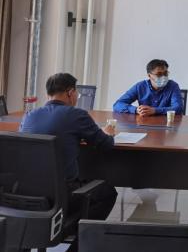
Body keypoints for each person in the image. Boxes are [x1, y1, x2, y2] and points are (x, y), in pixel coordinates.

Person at [20, 73, 117, 222]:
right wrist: (107, 133)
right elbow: (106, 144)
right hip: (64, 194)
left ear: (48, 94)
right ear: (70, 93)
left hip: (28, 192)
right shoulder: (76, 115)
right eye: (77, 93)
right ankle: (78, 235)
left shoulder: (29, 116)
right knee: (108, 193)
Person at [113, 59, 183, 116]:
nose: (163, 77)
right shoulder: (140, 86)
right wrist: (136, 110)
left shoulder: (173, 86)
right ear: (149, 75)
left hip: (166, 124)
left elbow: (178, 108)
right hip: (144, 123)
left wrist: (155, 110)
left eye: (165, 73)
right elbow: (117, 105)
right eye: (159, 74)